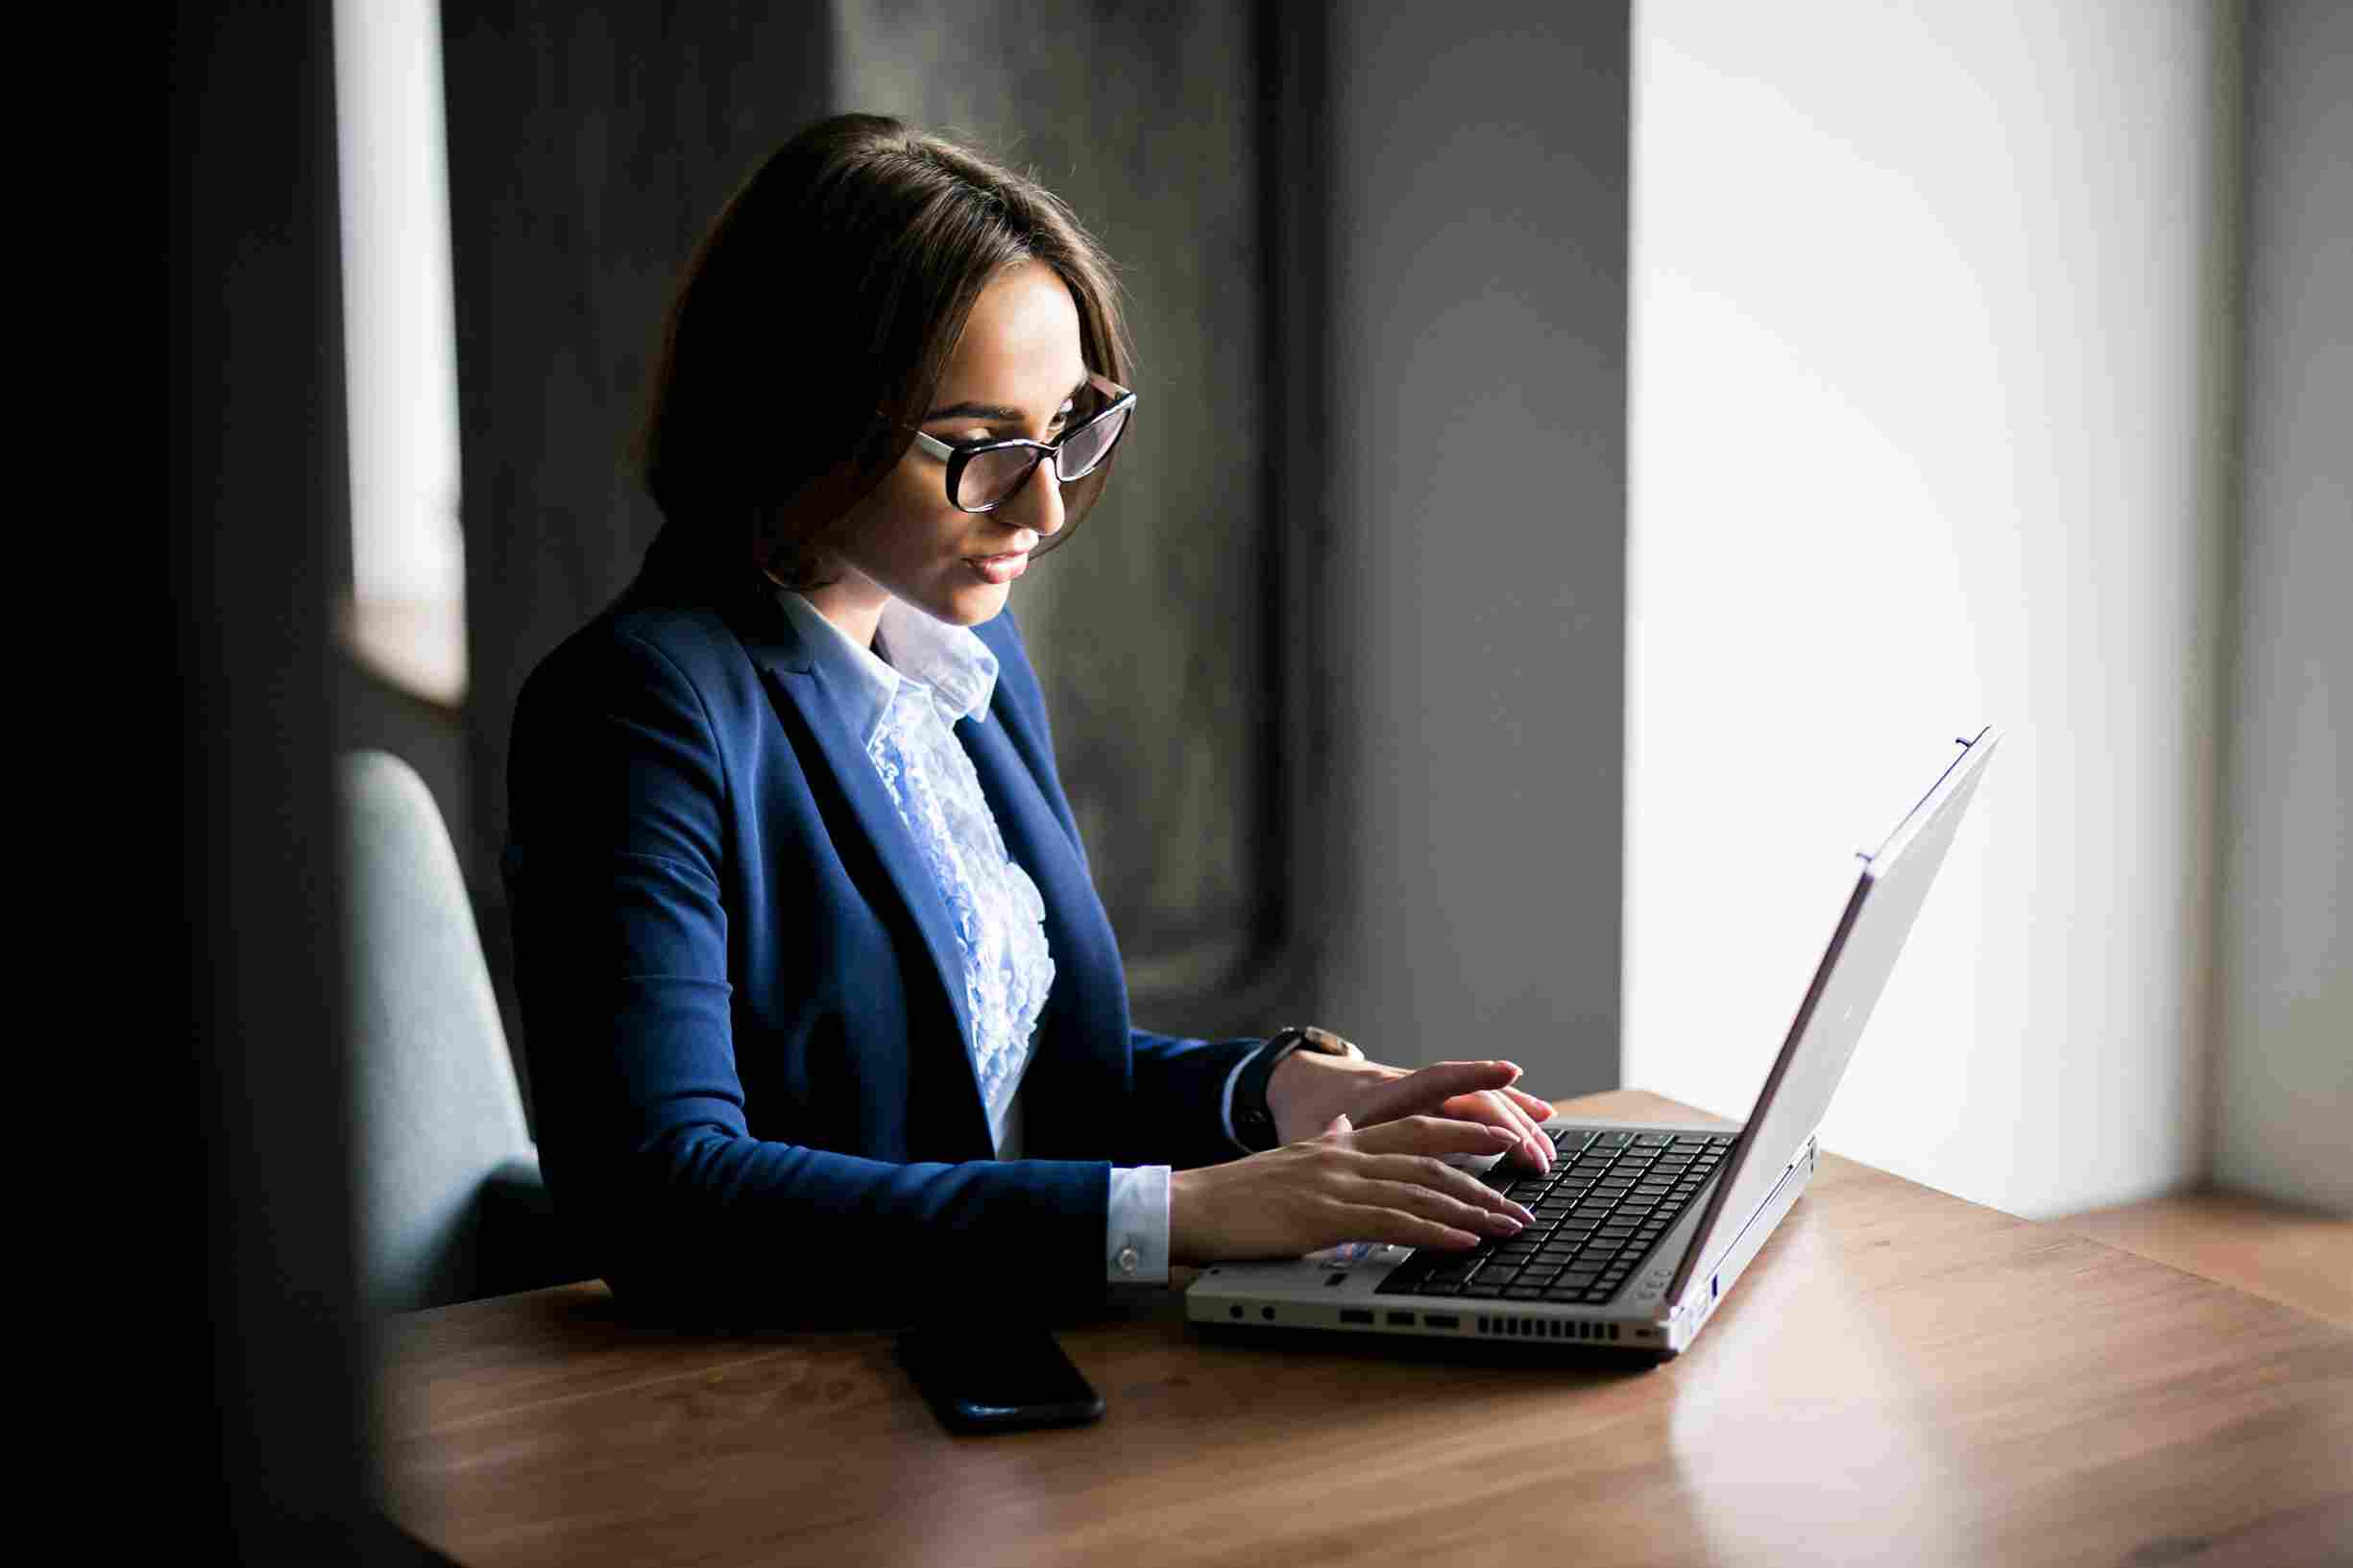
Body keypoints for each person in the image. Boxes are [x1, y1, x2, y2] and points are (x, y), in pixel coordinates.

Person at [503, 113, 1556, 1323]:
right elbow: (665, 1200)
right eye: (977, 445)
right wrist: (1185, 1211)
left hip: (1017, 1341)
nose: (1043, 507)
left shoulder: (959, 645)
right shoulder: (638, 710)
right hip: (805, 1402)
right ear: (799, 413)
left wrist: (1273, 1099)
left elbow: (1000, 1070)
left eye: (1066, 429)